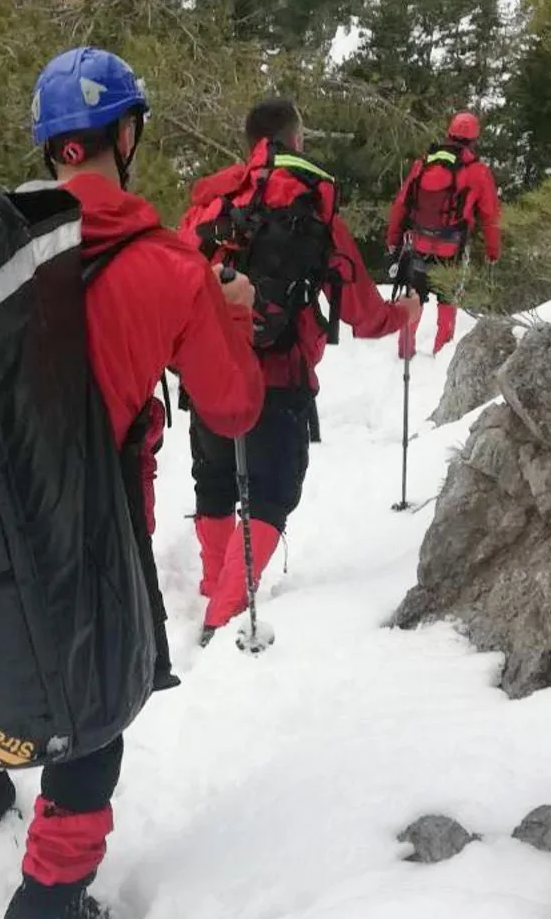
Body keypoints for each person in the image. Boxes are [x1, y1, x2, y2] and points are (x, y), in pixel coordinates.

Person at [0, 46, 264, 919]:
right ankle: (47, 906)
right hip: (97, 518)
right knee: (92, 714)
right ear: (124, 136)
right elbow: (233, 406)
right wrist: (232, 308)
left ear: (52, 151)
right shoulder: (170, 269)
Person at [177, 97, 421, 643]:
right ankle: (224, 614)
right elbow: (360, 310)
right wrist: (401, 313)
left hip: (210, 374)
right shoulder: (310, 205)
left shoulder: (211, 202)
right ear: (297, 139)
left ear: (250, 143)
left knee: (213, 482)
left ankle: (213, 584)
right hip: (279, 378)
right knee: (271, 494)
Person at [385, 111, 502, 356]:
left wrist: (393, 240)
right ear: (474, 140)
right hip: (452, 249)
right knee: (448, 301)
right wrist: (493, 250)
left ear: (449, 134)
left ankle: (404, 351)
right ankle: (442, 353)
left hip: (417, 244)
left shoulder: (423, 164)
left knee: (414, 296)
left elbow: (401, 204)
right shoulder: (478, 171)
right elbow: (490, 215)